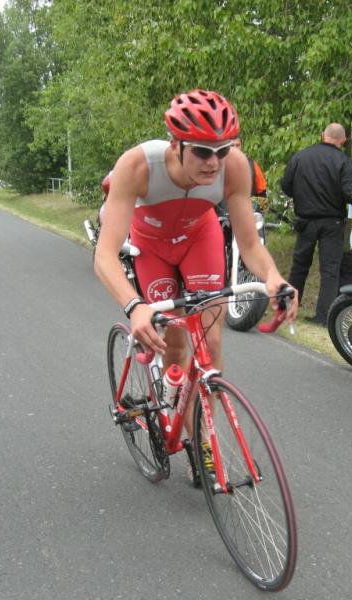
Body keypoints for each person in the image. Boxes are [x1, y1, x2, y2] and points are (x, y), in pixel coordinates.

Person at [93, 89, 297, 441]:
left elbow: (250, 245)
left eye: (223, 150)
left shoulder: (235, 167)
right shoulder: (138, 165)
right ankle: (173, 407)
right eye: (202, 151)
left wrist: (274, 277)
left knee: (210, 344)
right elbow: (104, 255)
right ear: (176, 145)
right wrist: (135, 307)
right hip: (152, 247)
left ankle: (203, 444)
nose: (214, 163)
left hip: (199, 239)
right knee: (174, 343)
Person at [280, 123, 352, 326]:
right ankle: (324, 316)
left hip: (305, 220)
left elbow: (286, 185)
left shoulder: (301, 156)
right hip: (333, 222)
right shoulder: (344, 162)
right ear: (343, 140)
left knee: (299, 266)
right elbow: (351, 194)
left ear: (323, 135)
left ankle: (288, 308)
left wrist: (302, 195)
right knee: (330, 270)